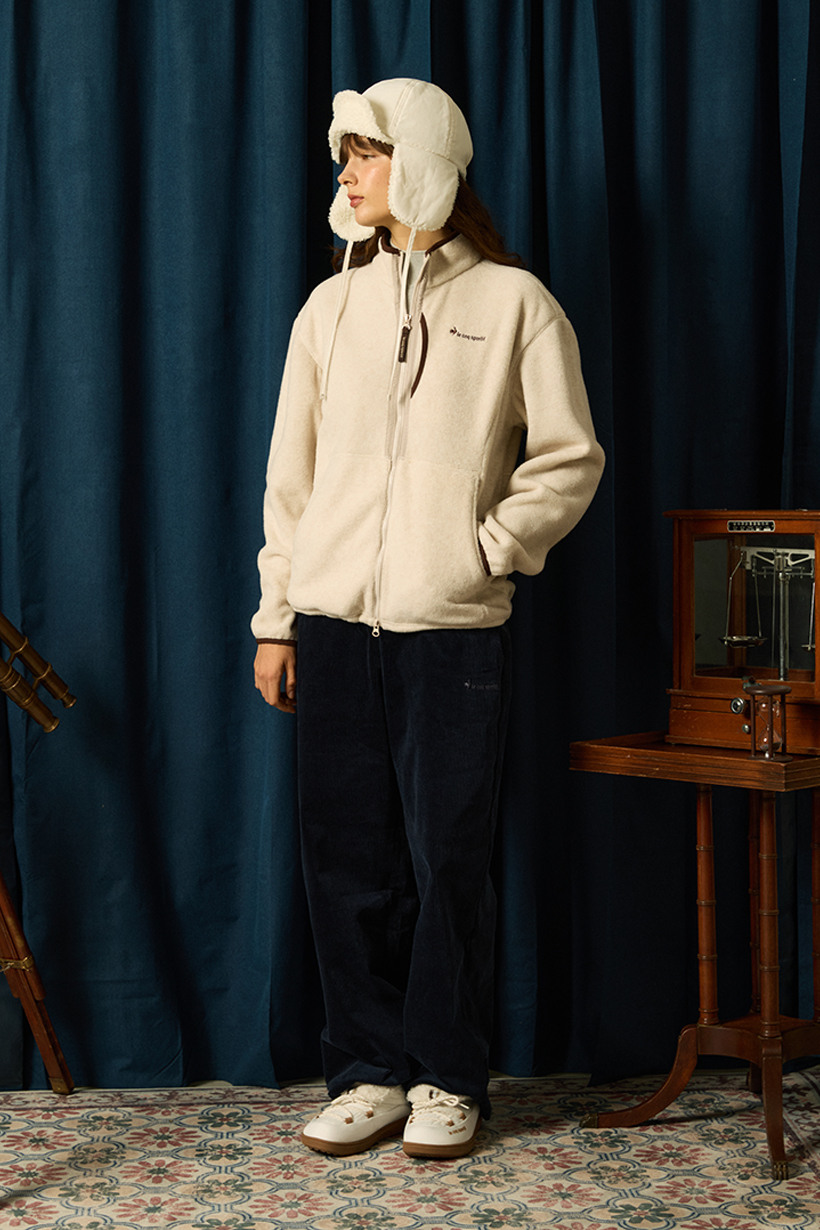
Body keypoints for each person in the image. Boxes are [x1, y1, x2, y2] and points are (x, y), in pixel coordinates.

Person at [252, 78, 604, 1160]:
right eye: (344, 155)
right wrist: (277, 616)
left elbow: (569, 457)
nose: (346, 172)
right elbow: (290, 481)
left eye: (366, 152)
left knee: (447, 857)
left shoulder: (514, 303)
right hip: (331, 623)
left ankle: (448, 1078)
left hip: (451, 627)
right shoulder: (330, 309)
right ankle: (366, 1074)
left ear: (424, 163)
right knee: (344, 861)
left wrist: (486, 548)